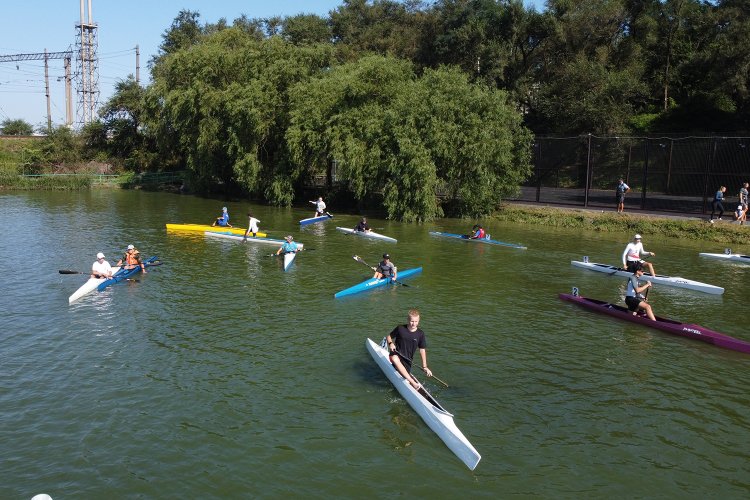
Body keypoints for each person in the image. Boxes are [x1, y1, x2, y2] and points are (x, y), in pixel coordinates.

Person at [385, 309, 433, 390]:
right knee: (395, 358)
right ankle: (412, 382)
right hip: (395, 354)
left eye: (416, 321)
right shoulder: (400, 328)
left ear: (419, 321)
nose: (414, 323)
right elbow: (388, 336)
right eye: (412, 321)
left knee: (405, 373)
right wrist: (390, 343)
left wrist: (424, 366)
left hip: (407, 360)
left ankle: (406, 377)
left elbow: (422, 350)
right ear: (408, 320)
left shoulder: (420, 334)